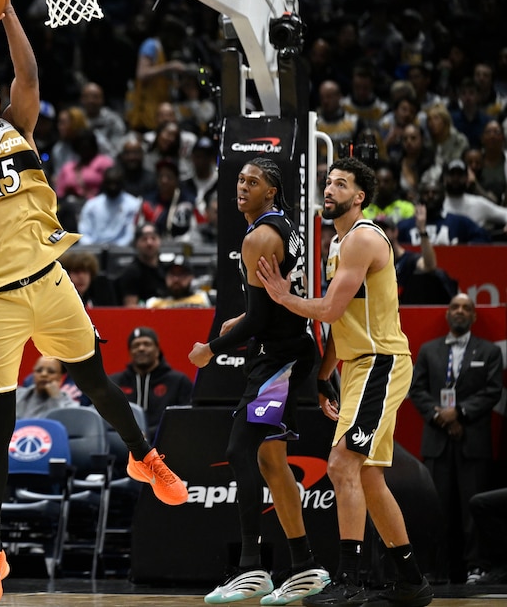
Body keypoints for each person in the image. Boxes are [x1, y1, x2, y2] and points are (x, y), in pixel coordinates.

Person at [0, 0, 187, 604]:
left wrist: (8, 7)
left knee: (97, 377)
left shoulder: (19, 127)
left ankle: (140, 455)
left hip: (50, 279)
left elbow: (29, 76)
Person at [257, 156, 433, 606]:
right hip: (358, 366)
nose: (330, 189)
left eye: (340, 184)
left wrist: (282, 296)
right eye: (327, 182)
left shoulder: (362, 239)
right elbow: (343, 320)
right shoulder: (337, 246)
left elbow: (329, 310)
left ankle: (350, 581)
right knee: (368, 477)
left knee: (340, 465)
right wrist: (323, 374)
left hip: (380, 362)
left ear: (360, 197)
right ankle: (412, 581)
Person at [188, 158, 330, 604]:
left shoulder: (260, 237)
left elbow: (262, 319)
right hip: (290, 349)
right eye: (240, 180)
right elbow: (270, 307)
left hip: (278, 360)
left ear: (271, 191)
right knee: (271, 461)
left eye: (254, 182)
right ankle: (304, 565)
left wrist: (210, 348)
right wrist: (246, 319)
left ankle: (252, 568)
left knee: (239, 450)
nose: (242, 187)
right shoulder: (285, 226)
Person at [408, 293, 504, 583]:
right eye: (455, 307)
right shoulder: (428, 350)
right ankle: (438, 568)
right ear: (447, 314)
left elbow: (492, 391)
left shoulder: (488, 352)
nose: (460, 311)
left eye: (466, 308)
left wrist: (459, 413)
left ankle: (477, 565)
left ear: (474, 316)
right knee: (437, 506)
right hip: (437, 440)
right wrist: (441, 416)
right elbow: (417, 389)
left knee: (472, 507)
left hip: (472, 441)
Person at [109, 327, 193, 439]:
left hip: (166, 442)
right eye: (135, 345)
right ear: (130, 352)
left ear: (157, 349)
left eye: (147, 344)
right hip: (123, 445)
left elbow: (186, 418)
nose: (141, 348)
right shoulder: (115, 382)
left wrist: (149, 434)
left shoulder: (178, 381)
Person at [77, 166, 142, 247]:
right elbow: (84, 233)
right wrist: (94, 247)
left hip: (122, 250)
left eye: (116, 183)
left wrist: (113, 249)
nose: (112, 187)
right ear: (104, 183)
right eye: (109, 183)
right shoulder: (91, 205)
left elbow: (129, 235)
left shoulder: (133, 204)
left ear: (123, 183)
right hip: (93, 249)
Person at [117, 223, 168, 307]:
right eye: (144, 239)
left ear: (160, 241)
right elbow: (131, 307)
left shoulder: (167, 269)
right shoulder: (131, 272)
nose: (149, 243)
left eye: (153, 238)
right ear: (136, 243)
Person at [145, 255, 211, 309]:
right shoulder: (153, 304)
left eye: (181, 274)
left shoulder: (205, 299)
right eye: (172, 274)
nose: (176, 279)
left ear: (191, 277)